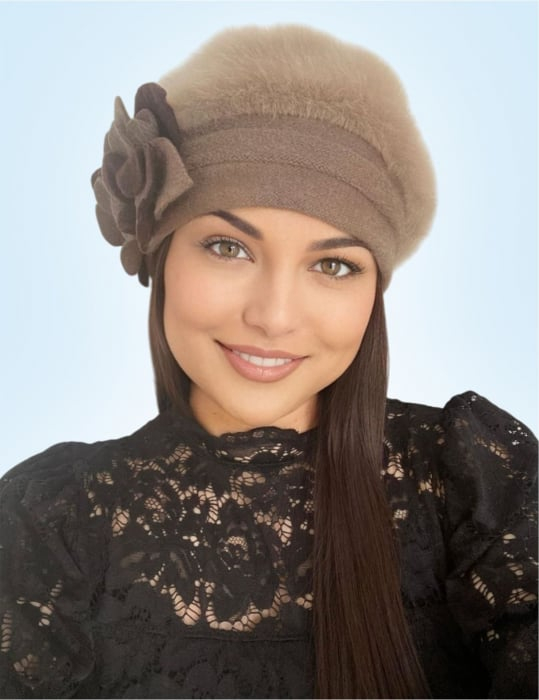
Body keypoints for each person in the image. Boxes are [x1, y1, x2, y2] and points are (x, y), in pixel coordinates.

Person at [0, 24, 536, 700]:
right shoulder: (53, 516)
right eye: (228, 248)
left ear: (373, 292)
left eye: (333, 265)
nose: (274, 317)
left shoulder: (469, 480)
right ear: (161, 257)